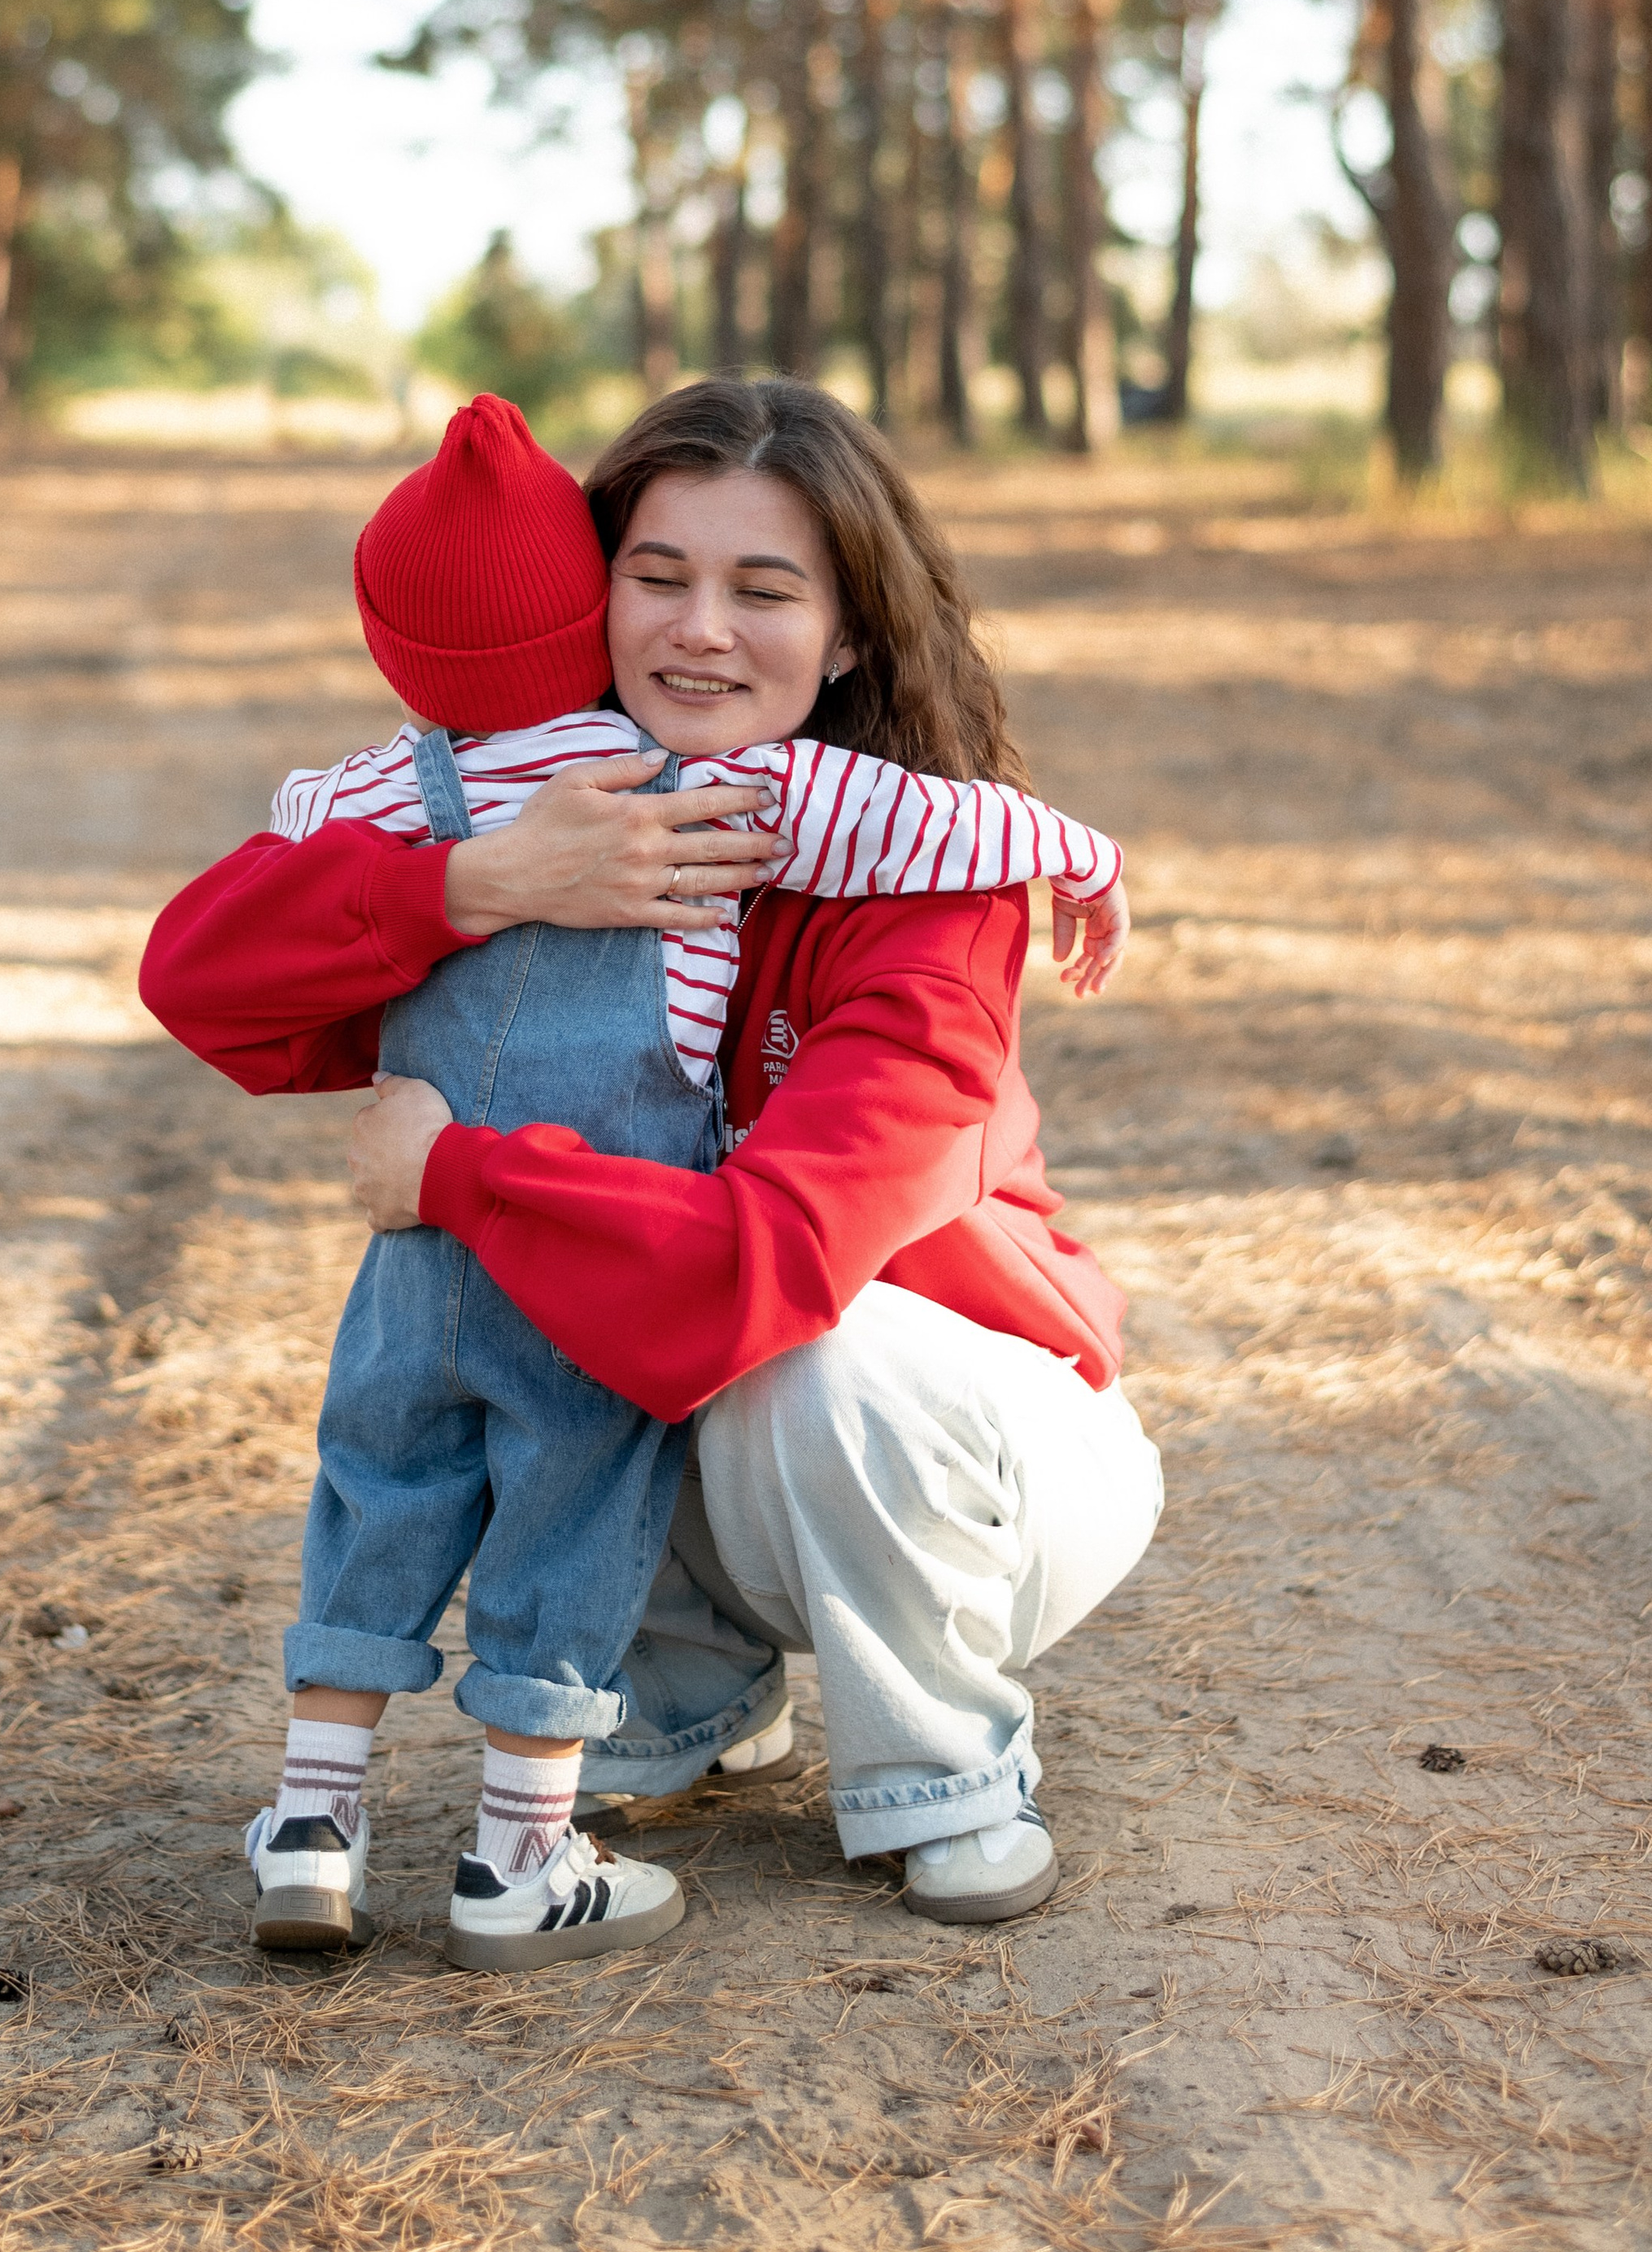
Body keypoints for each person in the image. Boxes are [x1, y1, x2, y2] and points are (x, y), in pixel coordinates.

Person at [142, 377, 1163, 1944]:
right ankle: (680, 1702)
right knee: (540, 1352)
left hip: (974, 1447)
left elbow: (767, 1265)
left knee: (808, 1353)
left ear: (845, 635)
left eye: (765, 590)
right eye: (656, 575)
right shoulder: (554, 823)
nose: (699, 630)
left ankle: (947, 1772)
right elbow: (207, 982)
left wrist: (465, 1176)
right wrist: (474, 888)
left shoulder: (920, 884)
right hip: (728, 1443)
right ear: (587, 588)